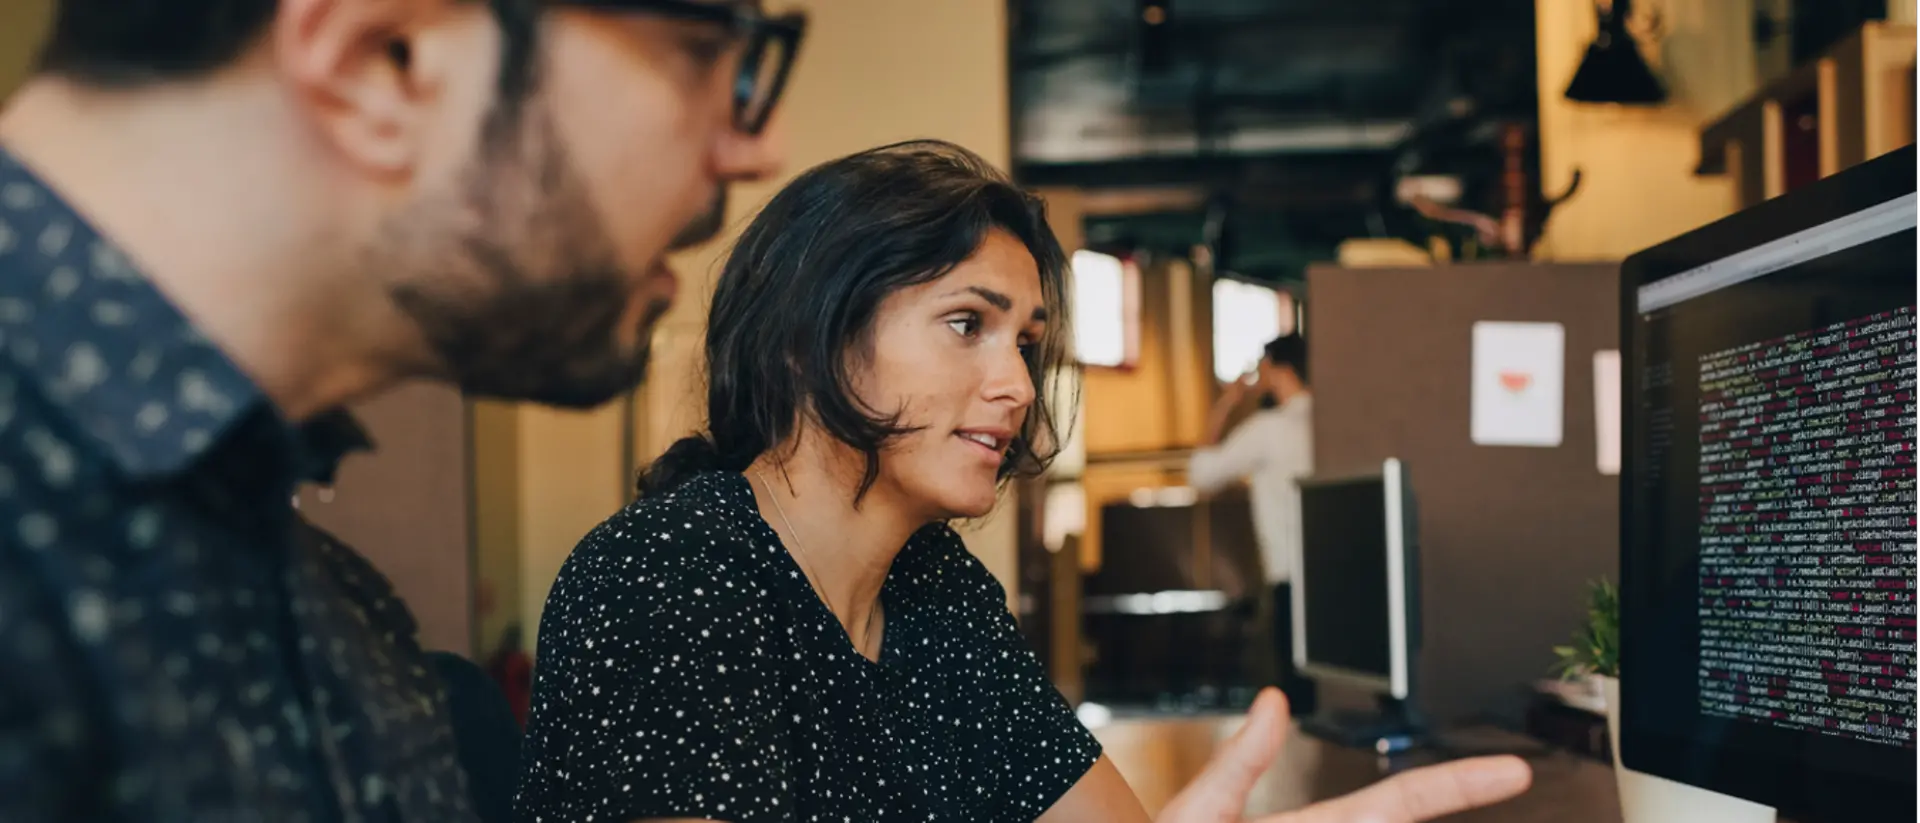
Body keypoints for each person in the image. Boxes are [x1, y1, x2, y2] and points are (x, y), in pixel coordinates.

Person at [0, 2, 1522, 822]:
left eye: (1028, 338)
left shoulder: (310, 599)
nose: (752, 146)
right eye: (708, 52)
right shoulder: (673, 574)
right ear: (383, 53)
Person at [516, 141, 1529, 823]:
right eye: (967, 323)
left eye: (1027, 341)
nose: (1014, 383)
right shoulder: (666, 576)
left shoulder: (939, 592)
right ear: (804, 341)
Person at [1189, 333, 1318, 716]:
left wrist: (1226, 403)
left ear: (1276, 369)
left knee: (1293, 689)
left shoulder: (1270, 429)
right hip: (1330, 570)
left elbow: (1202, 474)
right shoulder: (1329, 421)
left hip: (1288, 573)